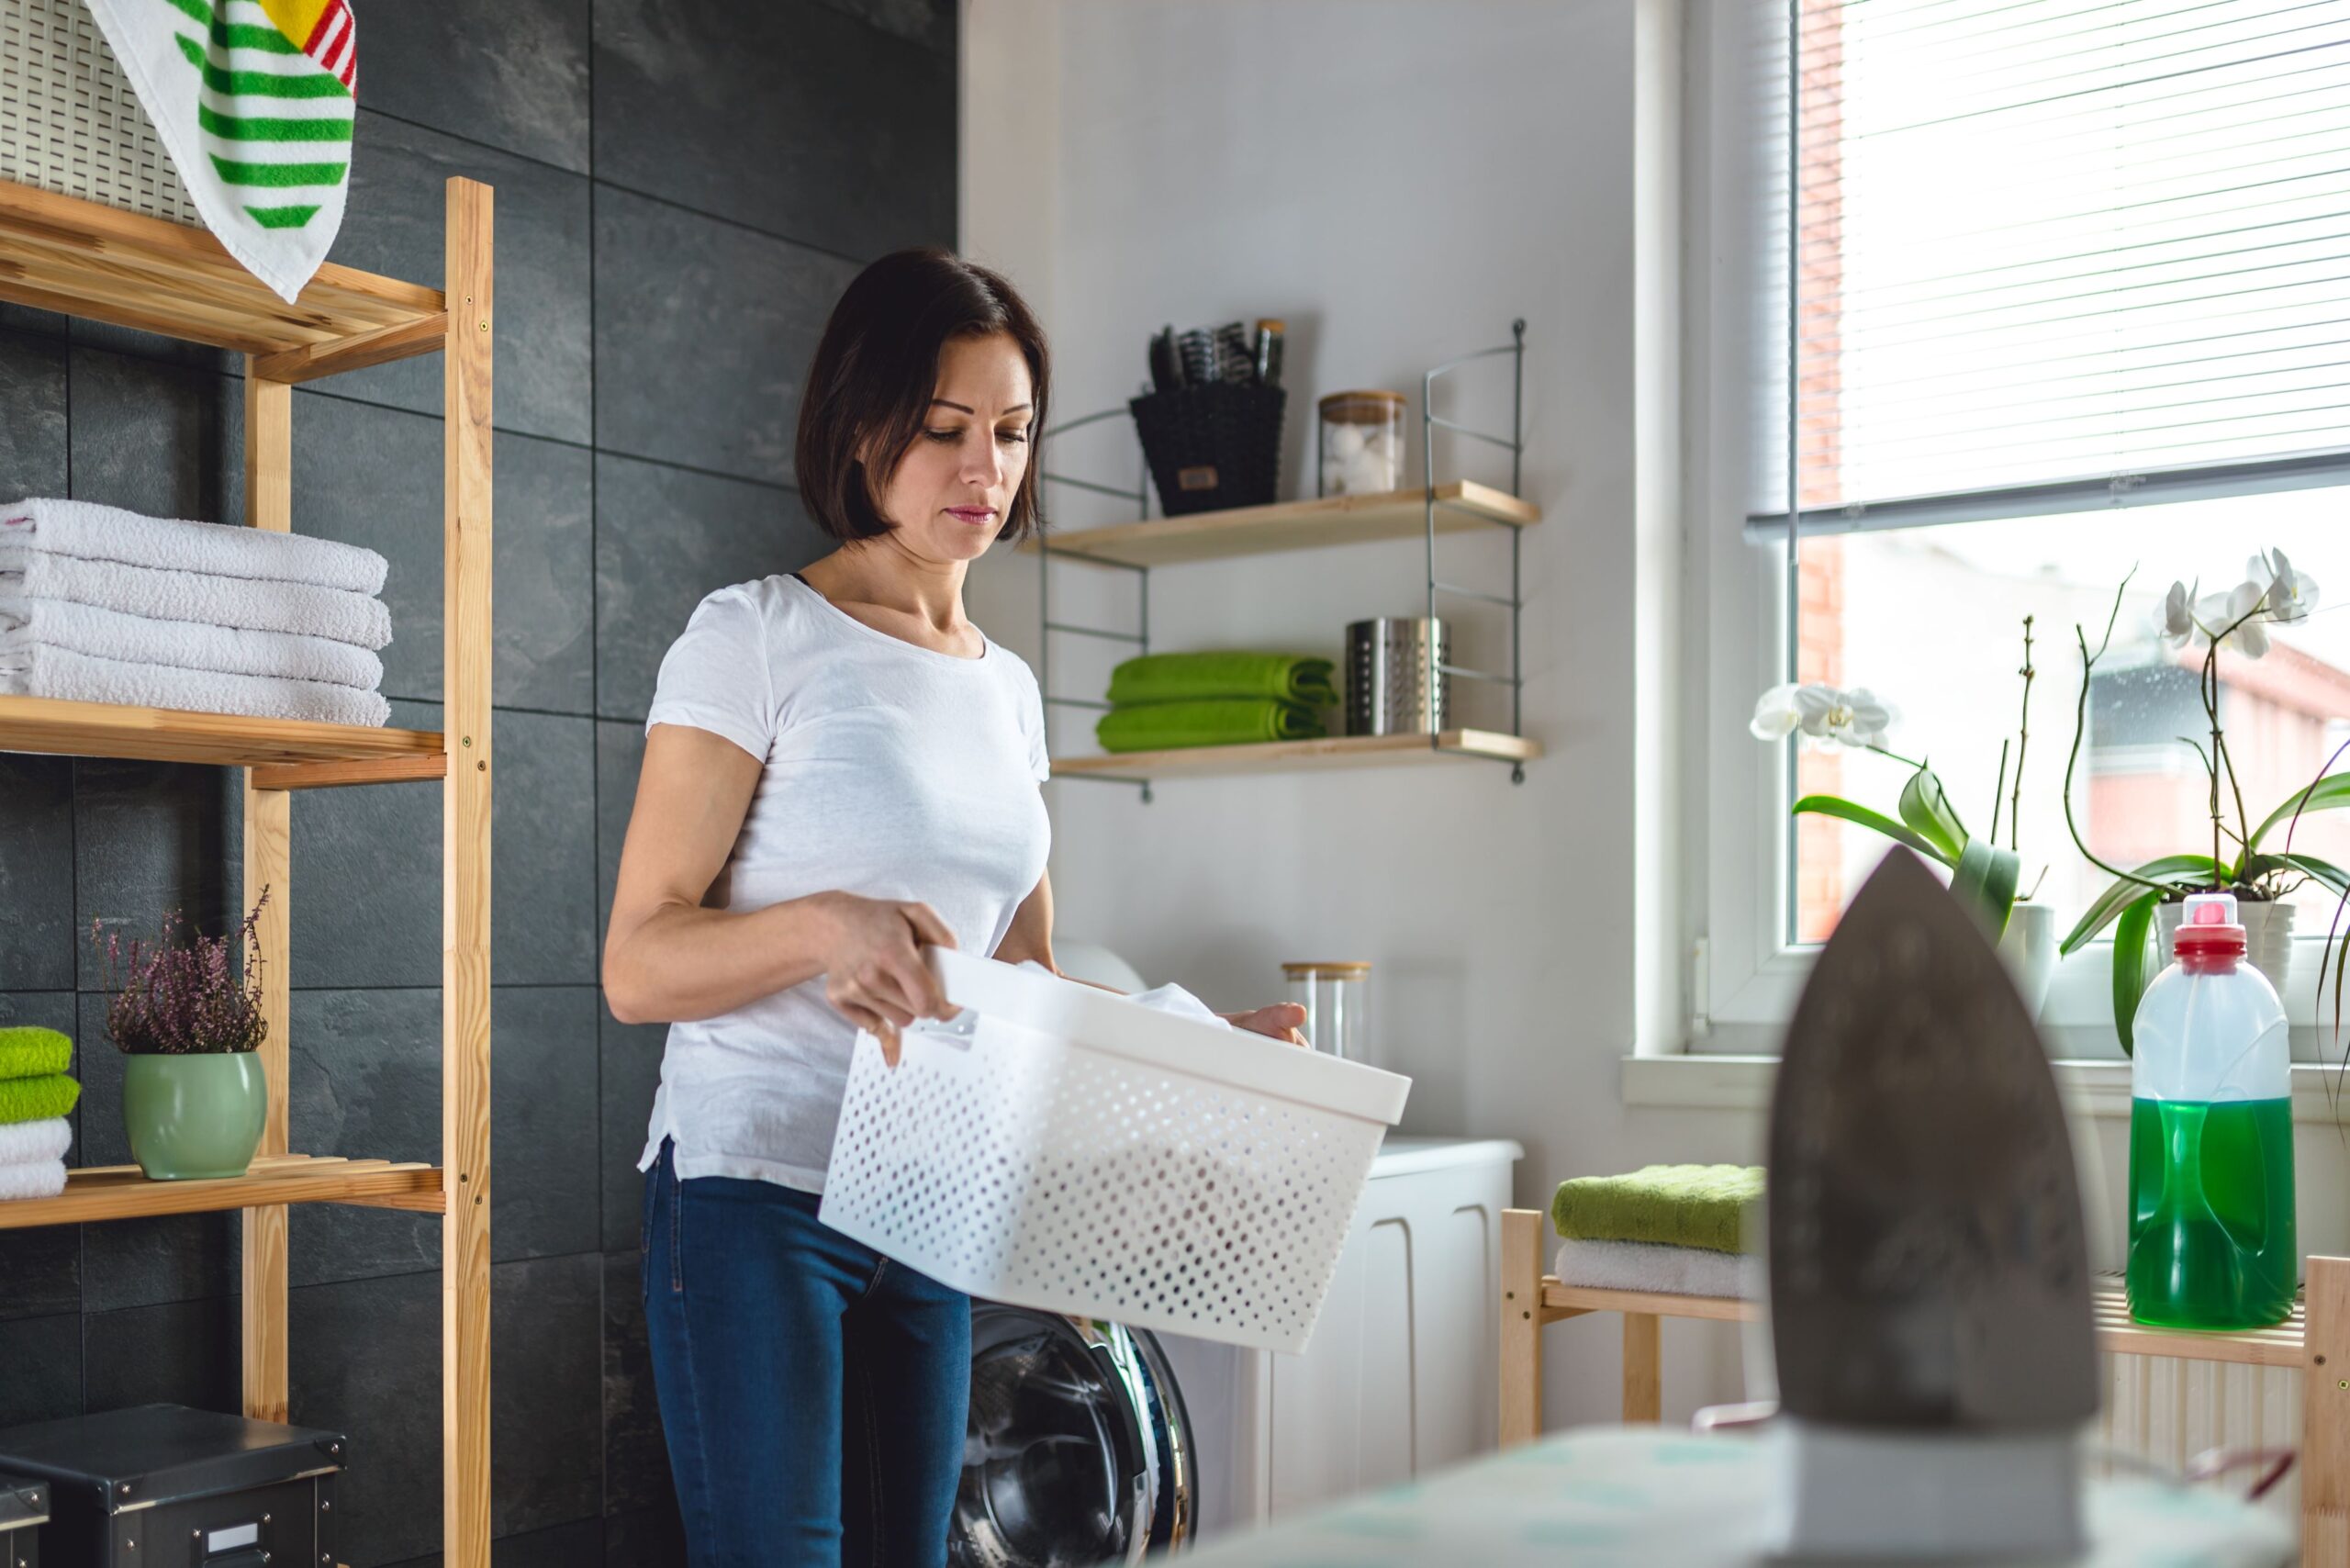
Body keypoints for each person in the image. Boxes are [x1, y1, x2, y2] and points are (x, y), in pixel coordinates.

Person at [600, 248, 1304, 1568]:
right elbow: (638, 963)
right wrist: (826, 926)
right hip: (754, 1194)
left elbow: (1020, 976)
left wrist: (1206, 1045)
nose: (984, 469)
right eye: (943, 432)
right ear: (860, 429)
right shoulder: (754, 634)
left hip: (925, 1196)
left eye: (1012, 433)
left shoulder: (1010, 692)